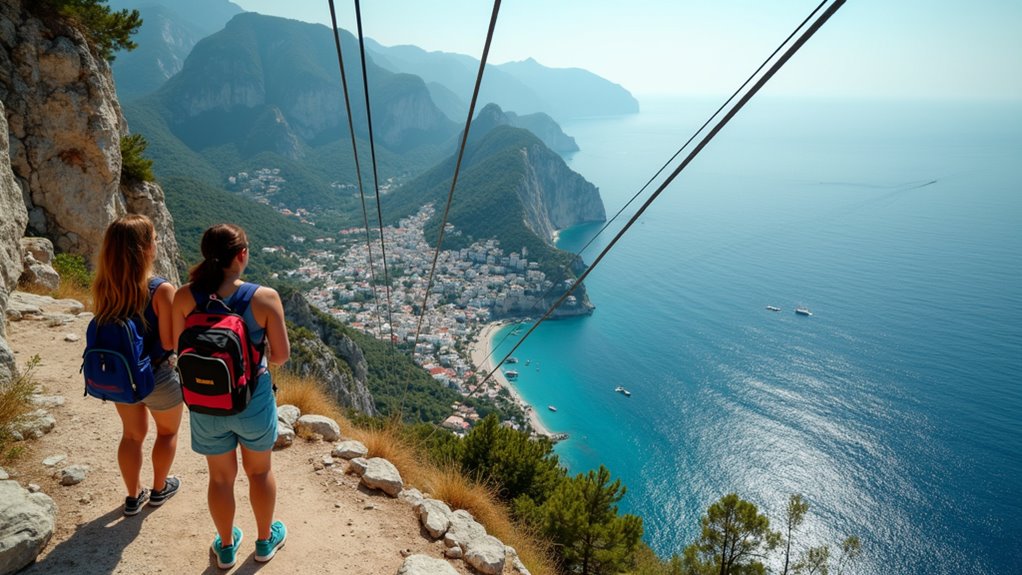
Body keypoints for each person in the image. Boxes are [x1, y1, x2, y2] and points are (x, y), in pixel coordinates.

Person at [171, 223, 290, 569]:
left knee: (220, 478)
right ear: (241, 255)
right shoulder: (263, 298)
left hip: (205, 401)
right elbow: (280, 356)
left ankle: (225, 546)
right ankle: (265, 541)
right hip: (252, 399)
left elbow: (180, 348)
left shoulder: (184, 296)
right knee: (259, 472)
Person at [92, 214, 183, 515]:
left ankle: (133, 496)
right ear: (144, 248)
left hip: (120, 376)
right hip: (156, 373)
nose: (157, 244)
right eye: (154, 239)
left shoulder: (104, 286)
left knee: (131, 435)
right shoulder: (160, 289)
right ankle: (159, 489)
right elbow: (169, 342)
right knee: (167, 433)